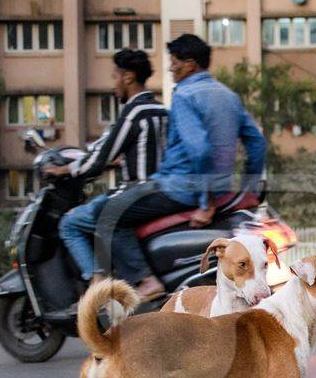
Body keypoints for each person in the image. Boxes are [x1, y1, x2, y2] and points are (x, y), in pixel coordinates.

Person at [94, 33, 267, 300]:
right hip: (218, 188)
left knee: (110, 213)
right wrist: (250, 187)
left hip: (178, 188)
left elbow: (199, 149)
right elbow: (257, 143)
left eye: (174, 62)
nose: (170, 68)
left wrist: (204, 200)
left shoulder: (184, 95)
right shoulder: (228, 96)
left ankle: (144, 279)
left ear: (190, 64)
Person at [56, 49, 167, 286]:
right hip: (163, 192)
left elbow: (98, 157)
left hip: (137, 192)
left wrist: (64, 170)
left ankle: (97, 284)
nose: (113, 84)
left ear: (128, 77)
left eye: (115, 76)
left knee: (70, 223)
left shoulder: (133, 113)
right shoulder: (162, 111)